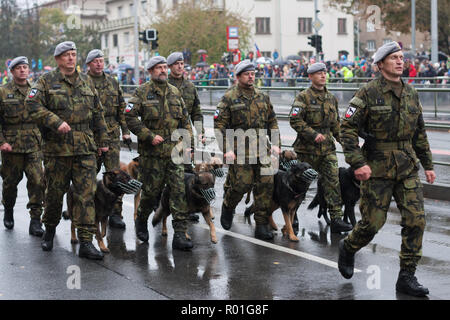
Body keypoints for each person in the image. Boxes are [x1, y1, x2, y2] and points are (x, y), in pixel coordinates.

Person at [337, 41, 436, 297]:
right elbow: (346, 128)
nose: (400, 62)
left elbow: (419, 132)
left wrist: (428, 165)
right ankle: (348, 247)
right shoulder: (368, 92)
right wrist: (357, 163)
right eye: (394, 58)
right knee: (373, 224)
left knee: (416, 220)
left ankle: (407, 276)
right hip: (377, 169)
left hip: (406, 167)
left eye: (402, 57)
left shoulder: (411, 93)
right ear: (380, 65)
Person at [25, 41, 109, 260]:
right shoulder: (46, 81)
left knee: (86, 195)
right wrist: (54, 121)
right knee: (54, 194)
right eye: (66, 55)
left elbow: (98, 114)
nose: (71, 58)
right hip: (57, 150)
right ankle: (50, 231)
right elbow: (32, 105)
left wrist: (103, 141)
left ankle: (85, 242)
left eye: (73, 54)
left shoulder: (86, 81)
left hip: (85, 149)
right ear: (58, 59)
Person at [125, 56, 194, 251]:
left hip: (175, 152)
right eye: (158, 68)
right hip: (152, 154)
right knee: (151, 193)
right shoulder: (142, 92)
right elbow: (129, 116)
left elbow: (185, 121)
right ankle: (141, 220)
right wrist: (148, 135)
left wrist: (187, 142)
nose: (163, 70)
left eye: (164, 67)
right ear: (150, 71)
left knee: (178, 191)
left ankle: (180, 233)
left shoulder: (175, 93)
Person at [214, 60, 281, 240]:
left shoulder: (262, 97)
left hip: (262, 149)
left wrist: (275, 143)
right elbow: (220, 125)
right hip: (239, 150)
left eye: (253, 73)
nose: (251, 76)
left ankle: (261, 224)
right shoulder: (229, 98)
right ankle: (228, 206)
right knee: (241, 184)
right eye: (247, 74)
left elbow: (272, 121)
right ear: (238, 77)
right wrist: (227, 149)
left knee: (266, 185)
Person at [289, 62, 352, 233]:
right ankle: (292, 217)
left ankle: (336, 218)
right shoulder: (303, 97)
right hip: (306, 150)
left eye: (324, 72)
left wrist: (344, 141)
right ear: (310, 76)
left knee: (333, 182)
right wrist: (312, 134)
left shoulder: (331, 98)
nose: (323, 75)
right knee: (300, 186)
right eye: (318, 73)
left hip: (327, 149)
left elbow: (336, 125)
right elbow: (295, 120)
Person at [85, 49, 131, 229]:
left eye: (101, 60)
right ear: (89, 64)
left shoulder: (113, 82)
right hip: (90, 137)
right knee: (88, 176)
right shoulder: (82, 82)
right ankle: (87, 211)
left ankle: (115, 213)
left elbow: (121, 108)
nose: (99, 63)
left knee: (116, 177)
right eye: (95, 61)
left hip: (112, 136)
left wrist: (126, 131)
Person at [0, 56, 44, 236]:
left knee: (37, 181)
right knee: (10, 183)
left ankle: (35, 220)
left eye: (25, 67)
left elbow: (45, 116)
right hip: (12, 147)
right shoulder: (3, 92)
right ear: (12, 71)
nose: (23, 70)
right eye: (19, 68)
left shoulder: (37, 91)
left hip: (34, 144)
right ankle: (8, 209)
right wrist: (2, 141)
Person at [167, 52, 205, 147]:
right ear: (170, 66)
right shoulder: (164, 86)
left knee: (187, 161)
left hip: (186, 135)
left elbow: (196, 112)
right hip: (167, 136)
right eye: (176, 64)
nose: (180, 66)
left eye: (182, 63)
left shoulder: (190, 87)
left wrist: (200, 132)